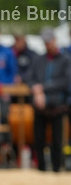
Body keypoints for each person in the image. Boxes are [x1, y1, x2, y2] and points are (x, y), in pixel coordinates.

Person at [24, 27, 71, 173]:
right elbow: (30, 79)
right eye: (45, 42)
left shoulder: (65, 60)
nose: (47, 44)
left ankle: (57, 168)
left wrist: (42, 88)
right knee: (39, 139)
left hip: (58, 105)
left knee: (57, 140)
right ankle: (41, 168)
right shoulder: (39, 60)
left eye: (49, 41)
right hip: (40, 106)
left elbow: (65, 81)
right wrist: (36, 90)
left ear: (55, 40)